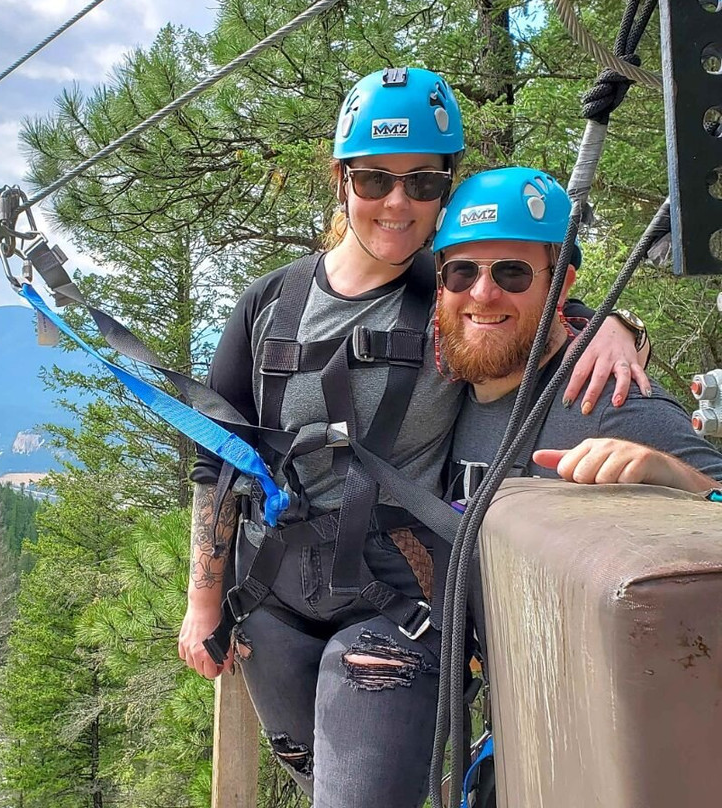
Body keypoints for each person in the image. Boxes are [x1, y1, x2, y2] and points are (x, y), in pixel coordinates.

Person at [178, 68, 646, 807]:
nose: (398, 203)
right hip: (271, 603)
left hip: (397, 610)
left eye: (423, 183)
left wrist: (618, 325)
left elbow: (541, 307)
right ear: (342, 180)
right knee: (317, 780)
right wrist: (205, 600)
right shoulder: (270, 303)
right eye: (375, 180)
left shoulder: (456, 291)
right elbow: (219, 456)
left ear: (445, 189)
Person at [436, 166, 722, 499]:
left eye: (513, 272)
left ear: (561, 287)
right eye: (462, 272)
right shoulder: (441, 395)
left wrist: (671, 473)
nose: (483, 294)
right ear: (441, 285)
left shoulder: (609, 401)